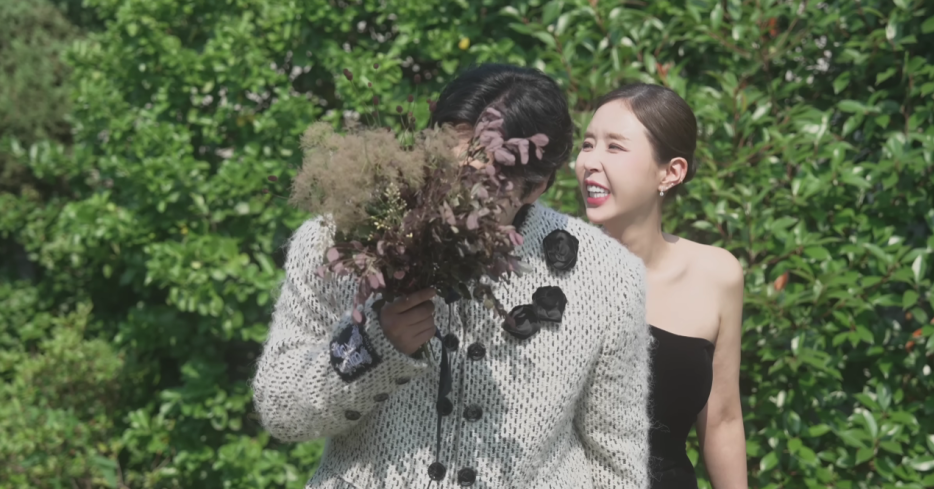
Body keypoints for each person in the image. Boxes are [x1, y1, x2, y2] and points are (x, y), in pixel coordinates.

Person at [252, 64, 654, 489]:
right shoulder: (341, 243)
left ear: (537, 186)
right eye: (440, 167)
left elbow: (616, 462)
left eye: (480, 180)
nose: (449, 193)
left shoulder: (609, 277)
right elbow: (280, 410)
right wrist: (373, 346)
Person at [575, 83, 748, 489]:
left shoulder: (717, 274)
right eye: (587, 144)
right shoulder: (551, 270)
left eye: (614, 147)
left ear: (671, 172)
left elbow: (722, 420)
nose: (589, 162)